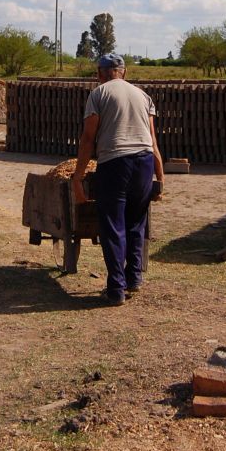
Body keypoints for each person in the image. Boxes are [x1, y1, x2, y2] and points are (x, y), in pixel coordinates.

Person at [71, 53, 164, 306]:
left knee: (113, 226)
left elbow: (88, 139)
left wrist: (78, 177)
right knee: (136, 222)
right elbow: (153, 141)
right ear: (124, 71)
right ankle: (133, 279)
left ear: (100, 74)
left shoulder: (98, 94)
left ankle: (116, 289)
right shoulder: (143, 96)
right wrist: (160, 178)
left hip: (115, 163)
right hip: (144, 162)